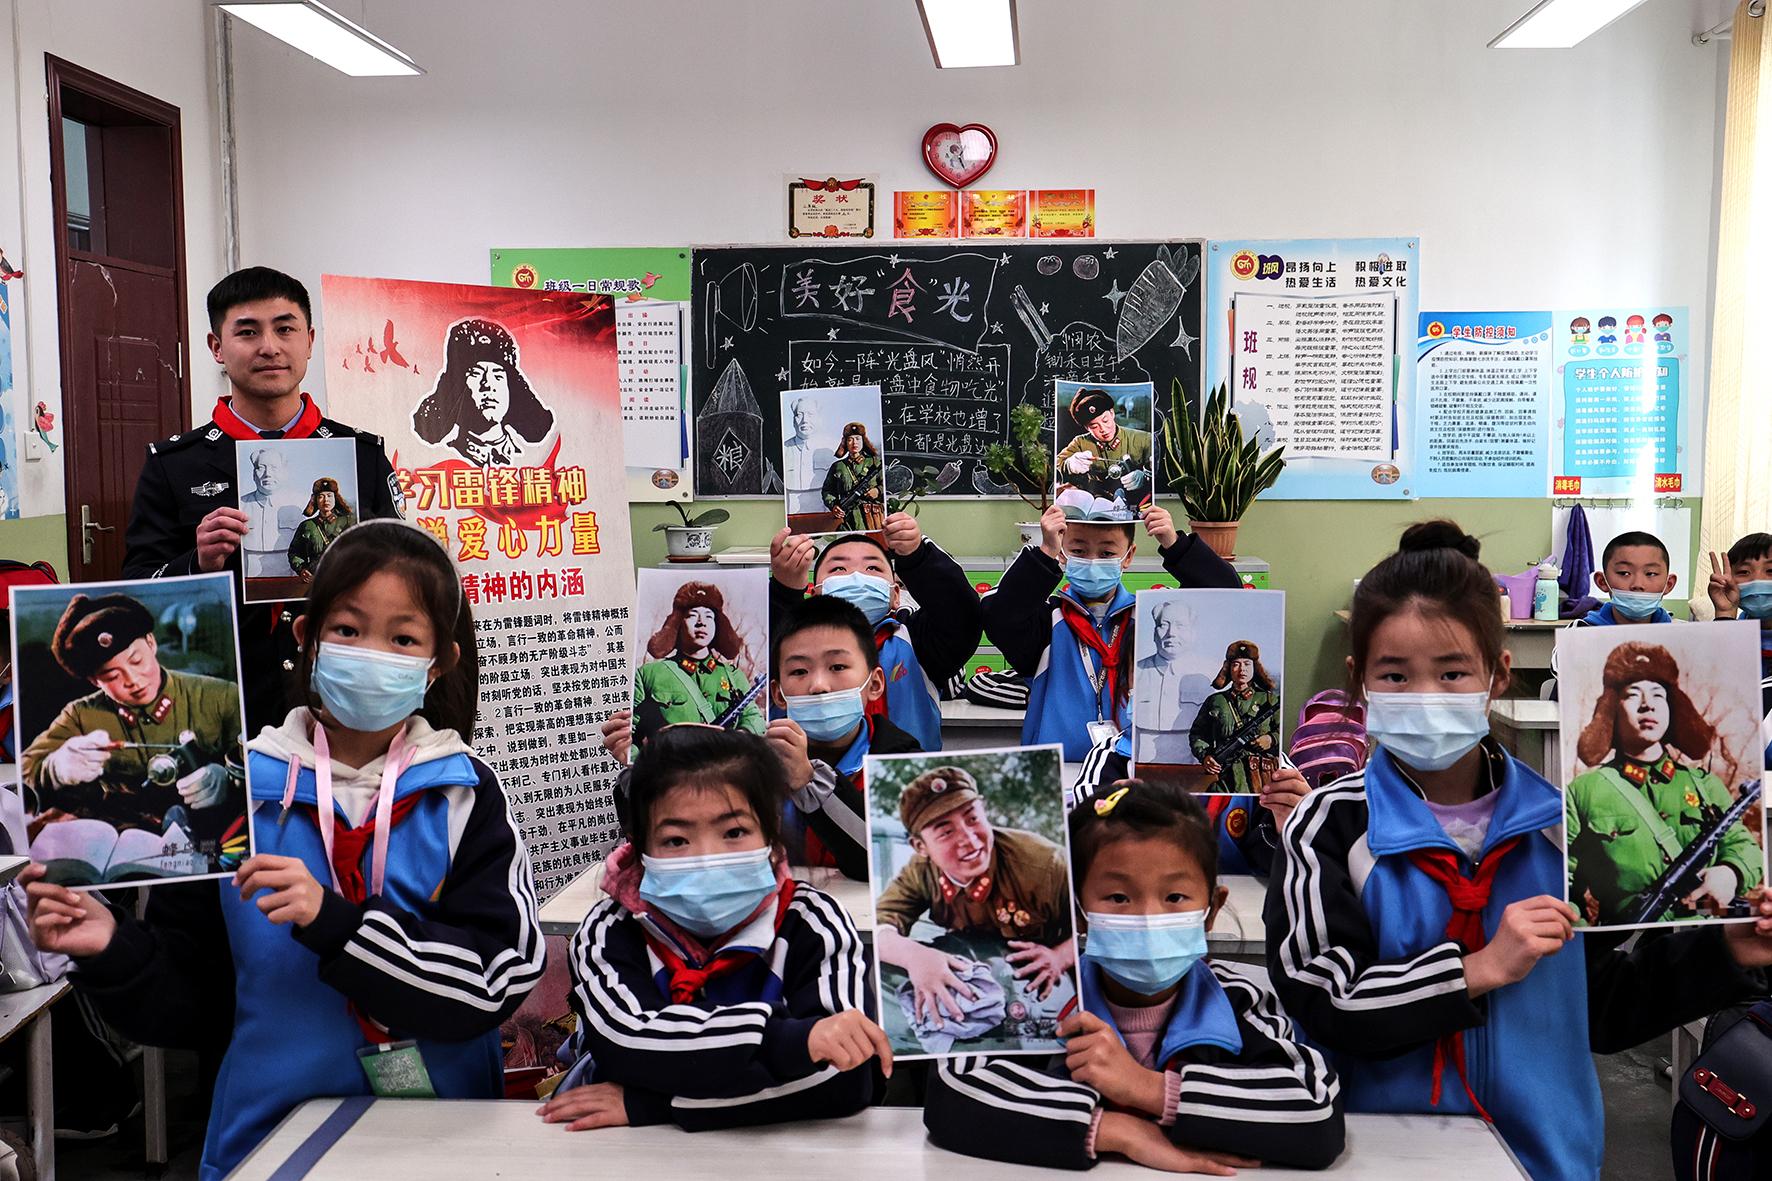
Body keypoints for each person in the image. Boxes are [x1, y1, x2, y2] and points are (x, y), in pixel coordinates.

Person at [22, 520, 541, 1180]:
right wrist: (113, 948)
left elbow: (496, 979)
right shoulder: (243, 787)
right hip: (271, 1146)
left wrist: (338, 925)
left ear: (439, 662)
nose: (371, 653)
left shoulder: (464, 793)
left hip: (446, 1145)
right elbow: (198, 999)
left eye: (403, 639)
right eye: (347, 629)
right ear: (306, 638)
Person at [1265, 520, 1772, 1181]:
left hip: (1542, 1162)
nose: (1425, 696)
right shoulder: (1327, 826)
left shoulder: (1562, 825)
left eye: (1453, 672)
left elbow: (1602, 1009)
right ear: (1359, 680)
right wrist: (1476, 969)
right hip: (1377, 1158)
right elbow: (1321, 999)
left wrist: (1725, 951)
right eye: (1395, 675)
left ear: (1497, 674)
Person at [925, 780, 1343, 1173]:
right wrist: (1115, 1130)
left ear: (1211, 910)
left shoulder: (1238, 1000)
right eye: (1118, 897)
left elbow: (1316, 1109)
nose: (1148, 918)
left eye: (1175, 896)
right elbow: (952, 1090)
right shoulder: (1040, 996)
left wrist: (1149, 1089)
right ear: (1076, 911)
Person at [540, 725, 888, 1132]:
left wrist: (658, 1104)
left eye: (734, 832)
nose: (707, 857)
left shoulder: (813, 921)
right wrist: (794, 1042)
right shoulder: (609, 929)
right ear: (639, 843)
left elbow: (844, 1081)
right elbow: (628, 1044)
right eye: (676, 840)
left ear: (770, 829)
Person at [122, 267, 400, 736]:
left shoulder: (360, 456)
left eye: (285, 329)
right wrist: (197, 563)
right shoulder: (174, 465)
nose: (269, 347)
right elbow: (135, 585)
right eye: (248, 332)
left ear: (309, 341)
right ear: (217, 347)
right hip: (226, 699)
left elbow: (403, 572)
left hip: (344, 697)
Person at [983, 503, 1241, 760]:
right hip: (1059, 769)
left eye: (1107, 553)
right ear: (1063, 554)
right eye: (1078, 551)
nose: (1092, 562)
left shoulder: (1149, 619)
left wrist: (1176, 546)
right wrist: (1045, 552)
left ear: (1128, 556)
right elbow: (999, 617)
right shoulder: (1047, 621)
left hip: (1128, 771)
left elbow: (1229, 596)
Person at [1565, 641, 1762, 927]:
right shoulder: (1584, 792)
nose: (1648, 704)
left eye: (1658, 695)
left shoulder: (1705, 786)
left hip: (1701, 940)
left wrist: (1730, 873)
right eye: (1633, 695)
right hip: (1623, 946)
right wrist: (1583, 938)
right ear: (1613, 710)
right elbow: (1563, 885)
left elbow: (1744, 847)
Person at [19, 592, 241, 840]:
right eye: (112, 676)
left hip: (214, 836)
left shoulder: (221, 696)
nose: (133, 680)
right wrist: (53, 768)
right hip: (123, 840)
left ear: (151, 643)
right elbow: (22, 772)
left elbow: (258, 762)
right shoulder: (80, 715)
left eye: (136, 661)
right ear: (95, 681)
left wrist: (229, 778)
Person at [874, 764, 1075, 1030]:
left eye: (972, 819)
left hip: (1049, 990)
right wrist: (914, 956)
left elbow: (1097, 924)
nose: (969, 839)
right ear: (920, 846)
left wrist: (1061, 956)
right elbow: (880, 927)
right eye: (946, 832)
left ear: (984, 811)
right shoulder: (921, 872)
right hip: (980, 984)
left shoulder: (1047, 864)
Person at [769, 514, 981, 752]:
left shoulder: (916, 640)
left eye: (872, 568)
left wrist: (916, 556)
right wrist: (784, 591)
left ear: (895, 595)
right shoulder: (792, 644)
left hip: (904, 772)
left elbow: (962, 617)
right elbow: (758, 658)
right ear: (815, 593)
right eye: (838, 568)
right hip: (804, 772)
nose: (856, 577)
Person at [766, 595, 921, 881]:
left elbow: (894, 865)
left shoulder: (902, 761)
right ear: (778, 694)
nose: (819, 686)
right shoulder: (757, 763)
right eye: (799, 671)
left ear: (875, 684)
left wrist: (809, 780)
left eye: (837, 667)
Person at [632, 581, 766, 747]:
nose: (702, 622)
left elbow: (753, 718)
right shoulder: (649, 675)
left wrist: (739, 738)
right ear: (678, 623)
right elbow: (630, 735)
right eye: (692, 615)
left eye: (709, 616)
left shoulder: (733, 676)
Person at [411, 318, 555, 467]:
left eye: (498, 376)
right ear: (456, 387)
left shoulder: (527, 459)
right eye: (476, 374)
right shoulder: (445, 455)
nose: (488, 385)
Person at [1188, 640, 1281, 793]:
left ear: (1254, 668)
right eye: (1236, 664)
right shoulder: (1215, 701)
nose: (1242, 669)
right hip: (1225, 778)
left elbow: (1283, 731)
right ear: (1229, 668)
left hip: (1260, 780)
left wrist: (1271, 739)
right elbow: (1198, 734)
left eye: (1247, 664)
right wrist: (1205, 756)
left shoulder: (1270, 701)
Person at [1131, 598, 1211, 768]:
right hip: (1143, 764)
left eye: (1180, 626)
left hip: (1194, 764)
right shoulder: (1135, 671)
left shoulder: (1211, 673)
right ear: (1154, 633)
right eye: (1164, 625)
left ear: (1193, 633)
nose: (1171, 633)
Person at [1055, 387, 1151, 520]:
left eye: (1105, 420)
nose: (1103, 429)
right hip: (1094, 508)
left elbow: (1160, 472)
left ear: (1112, 413)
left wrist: (1145, 476)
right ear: (1086, 428)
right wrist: (1069, 465)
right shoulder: (1080, 443)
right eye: (1094, 426)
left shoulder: (1144, 439)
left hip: (1133, 508)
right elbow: (1056, 464)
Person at [1707, 534, 1772, 713]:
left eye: (1770, 570)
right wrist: (1725, 613)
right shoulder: (1726, 636)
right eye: (1744, 572)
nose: (1757, 580)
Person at [1583, 530, 1678, 626]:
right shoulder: (1582, 632)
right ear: (1602, 582)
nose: (1638, 584)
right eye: (1624, 573)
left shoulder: (1679, 633)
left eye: (1651, 574)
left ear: (1668, 584)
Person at [238, 448, 302, 579]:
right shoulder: (240, 504)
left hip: (290, 576)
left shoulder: (300, 504)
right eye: (261, 468)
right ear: (254, 474)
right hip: (250, 578)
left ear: (284, 473)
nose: (267, 474)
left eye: (274, 468)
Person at [287, 477, 358, 580]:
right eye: (321, 496)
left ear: (335, 498)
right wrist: (302, 569)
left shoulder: (349, 522)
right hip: (316, 578)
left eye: (329, 496)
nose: (326, 500)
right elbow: (295, 552)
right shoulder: (307, 525)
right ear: (315, 500)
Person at [820, 421, 884, 533]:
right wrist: (834, 506)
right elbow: (828, 490)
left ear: (863, 441)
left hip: (871, 520)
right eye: (850, 439)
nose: (854, 443)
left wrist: (878, 491)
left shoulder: (875, 463)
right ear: (845, 442)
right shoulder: (838, 466)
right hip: (847, 520)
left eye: (858, 439)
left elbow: (888, 485)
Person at [783, 397, 834, 518]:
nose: (805, 420)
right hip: (792, 513)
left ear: (819, 419)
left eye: (810, 414)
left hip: (824, 513)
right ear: (793, 420)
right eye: (799, 415)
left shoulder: (832, 448)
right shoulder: (784, 448)